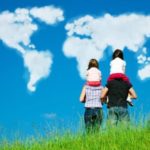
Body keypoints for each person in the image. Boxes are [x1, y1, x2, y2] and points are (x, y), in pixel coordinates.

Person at [80, 59, 103, 132]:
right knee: (97, 131)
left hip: (88, 109)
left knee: (88, 131)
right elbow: (103, 99)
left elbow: (81, 99)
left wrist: (86, 100)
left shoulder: (85, 87)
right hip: (98, 109)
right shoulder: (101, 88)